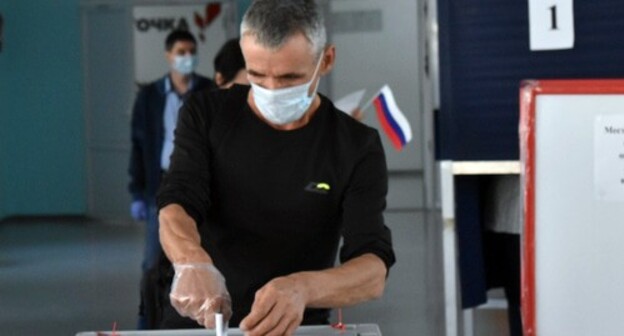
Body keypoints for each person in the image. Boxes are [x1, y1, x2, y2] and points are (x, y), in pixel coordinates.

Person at [156, 0, 396, 334]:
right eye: (257, 75)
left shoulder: (355, 146)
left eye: (289, 79)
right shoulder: (206, 114)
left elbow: (372, 268)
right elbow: (178, 200)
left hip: (294, 325)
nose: (271, 90)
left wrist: (303, 288)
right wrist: (190, 260)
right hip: (199, 321)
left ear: (325, 60)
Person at [127, 29, 216, 329]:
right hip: (160, 185)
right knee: (152, 264)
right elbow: (139, 146)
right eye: (180, 52)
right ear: (168, 55)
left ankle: (205, 322)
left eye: (191, 51)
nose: (186, 57)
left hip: (198, 184)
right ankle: (146, 326)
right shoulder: (149, 97)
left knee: (199, 258)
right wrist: (137, 192)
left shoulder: (207, 91)